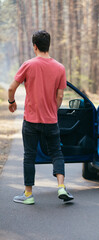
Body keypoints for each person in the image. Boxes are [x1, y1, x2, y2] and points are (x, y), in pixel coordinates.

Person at [8, 30, 74, 205]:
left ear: (35, 46)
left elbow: (11, 88)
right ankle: (61, 187)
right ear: (48, 45)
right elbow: (60, 97)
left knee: (29, 155)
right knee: (56, 153)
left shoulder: (28, 65)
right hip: (51, 121)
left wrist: (11, 102)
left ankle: (28, 194)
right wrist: (52, 109)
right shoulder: (60, 68)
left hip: (30, 121)